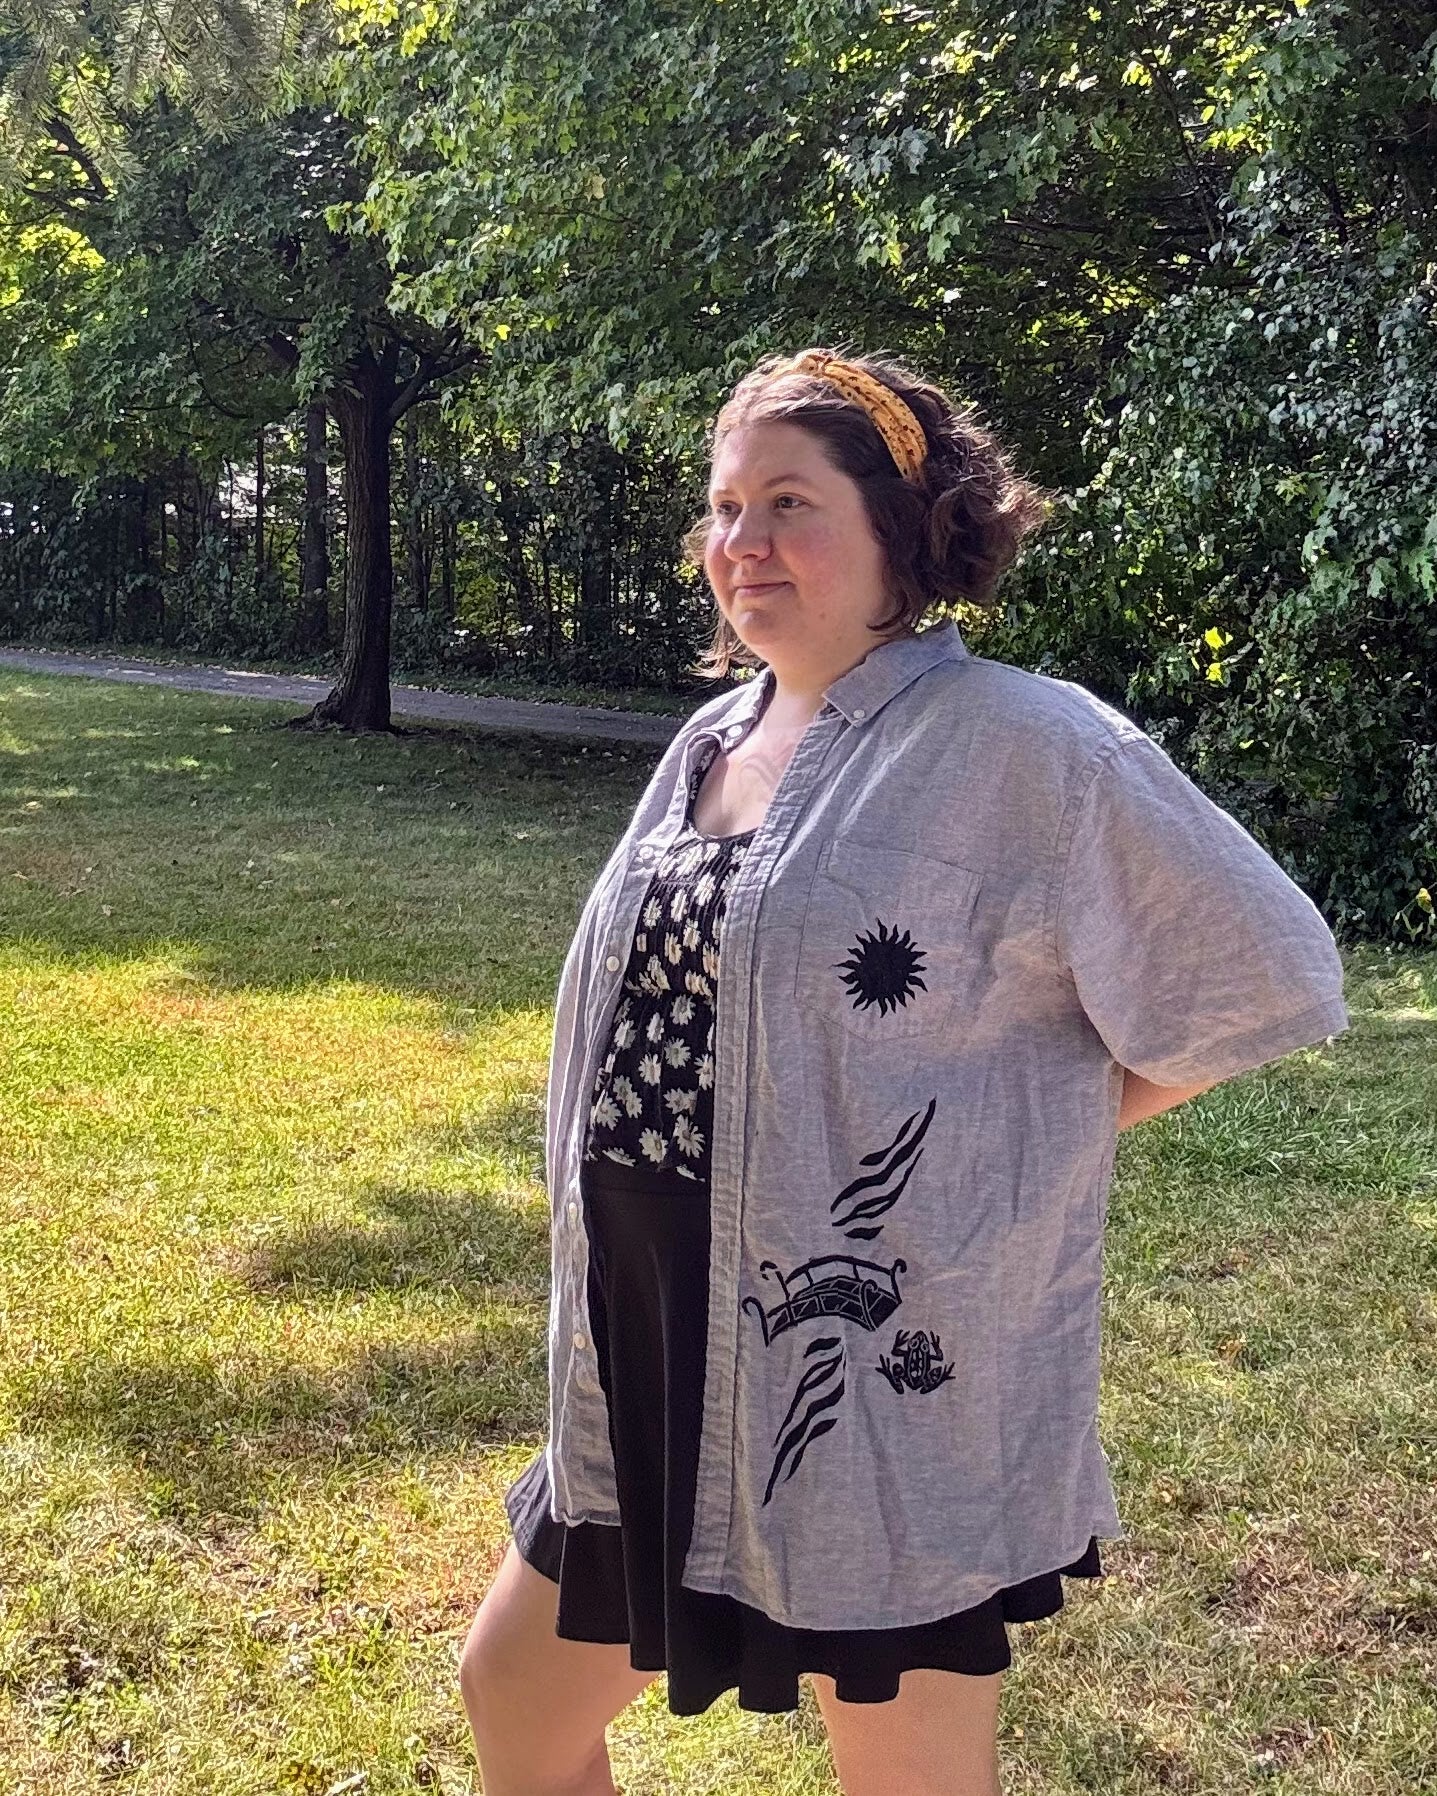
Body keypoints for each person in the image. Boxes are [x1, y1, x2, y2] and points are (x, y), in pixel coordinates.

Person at [457, 347, 1349, 1796]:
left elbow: (1263, 971)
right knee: (516, 1701)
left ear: (901, 529)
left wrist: (1035, 1142)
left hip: (860, 1342)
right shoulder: (711, 735)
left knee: (901, 1759)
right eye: (724, 508)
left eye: (787, 505)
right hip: (645, 1325)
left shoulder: (1029, 744)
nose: (740, 545)